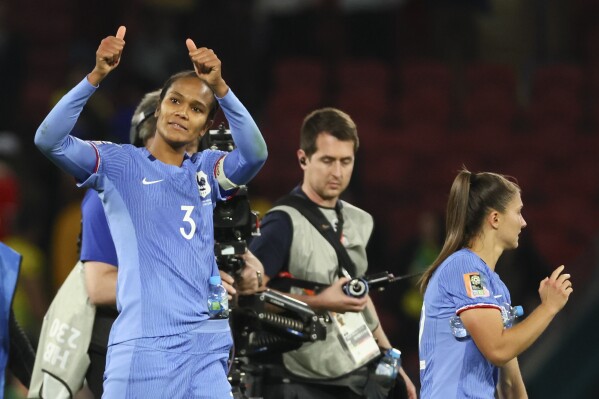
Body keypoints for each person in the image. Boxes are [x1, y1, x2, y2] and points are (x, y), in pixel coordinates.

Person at [34, 25, 267, 398]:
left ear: (206, 125)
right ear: (158, 107)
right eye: (175, 101)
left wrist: (222, 88)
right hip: (145, 350)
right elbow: (49, 139)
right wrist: (95, 77)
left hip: (207, 348)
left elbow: (256, 154)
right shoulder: (117, 165)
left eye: (196, 108)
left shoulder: (206, 169)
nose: (181, 113)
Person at [82, 89, 266, 398]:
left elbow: (234, 264)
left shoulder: (201, 185)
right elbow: (98, 286)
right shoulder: (108, 193)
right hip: (134, 348)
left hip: (199, 348)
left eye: (195, 144)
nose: (187, 155)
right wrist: (187, 284)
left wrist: (250, 275)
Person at [249, 107, 416, 399]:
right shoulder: (282, 222)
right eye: (327, 160)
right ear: (303, 159)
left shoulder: (356, 220)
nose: (337, 172)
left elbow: (359, 296)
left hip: (352, 374)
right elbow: (249, 297)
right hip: (299, 379)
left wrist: (391, 359)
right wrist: (319, 301)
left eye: (345, 161)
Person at [417, 167, 573, 398]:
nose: (524, 222)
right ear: (495, 219)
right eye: (518, 212)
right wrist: (548, 308)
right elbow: (498, 349)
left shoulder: (495, 286)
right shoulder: (464, 269)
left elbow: (509, 382)